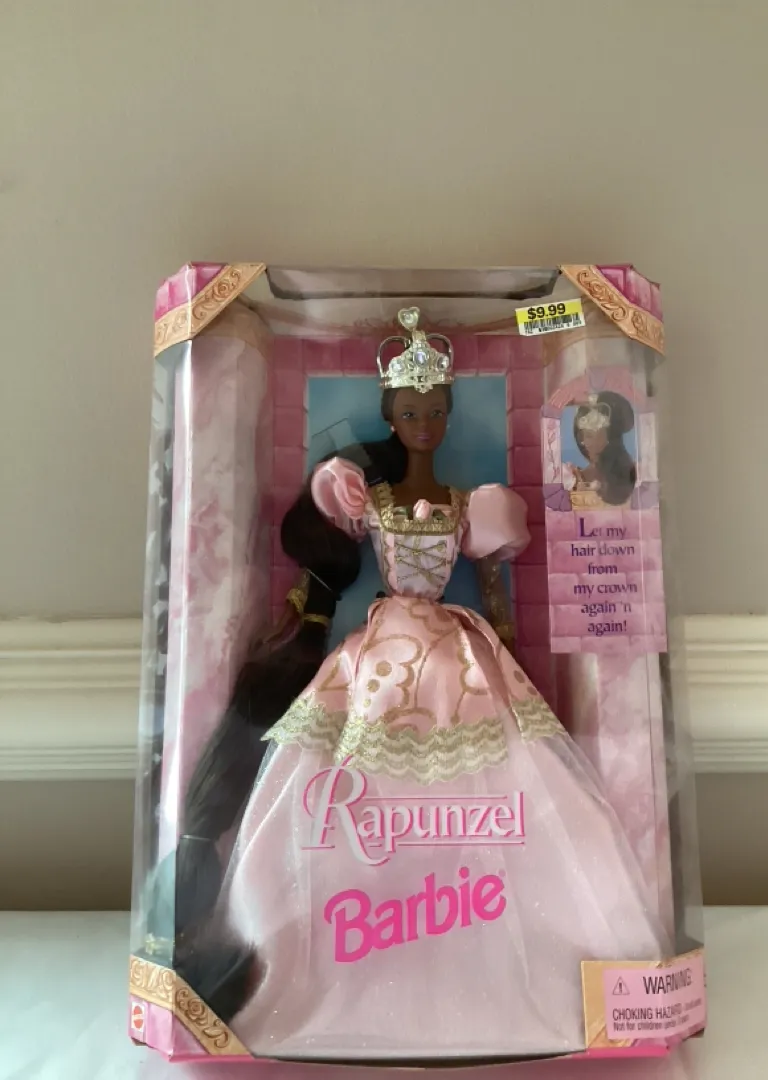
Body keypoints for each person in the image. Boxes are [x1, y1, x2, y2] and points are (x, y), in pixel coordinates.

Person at [173, 310, 665, 1059]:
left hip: (455, 647)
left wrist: (503, 640)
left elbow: (491, 580)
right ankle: (346, 915)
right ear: (390, 417)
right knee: (355, 759)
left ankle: (495, 926)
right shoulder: (365, 500)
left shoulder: (474, 506)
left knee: (495, 765)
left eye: (435, 412)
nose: (425, 425)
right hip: (381, 647)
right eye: (410, 413)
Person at [564, 391, 636, 509]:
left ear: (610, 437)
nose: (593, 443)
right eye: (588, 435)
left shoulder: (630, 473)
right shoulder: (571, 478)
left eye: (600, 435)